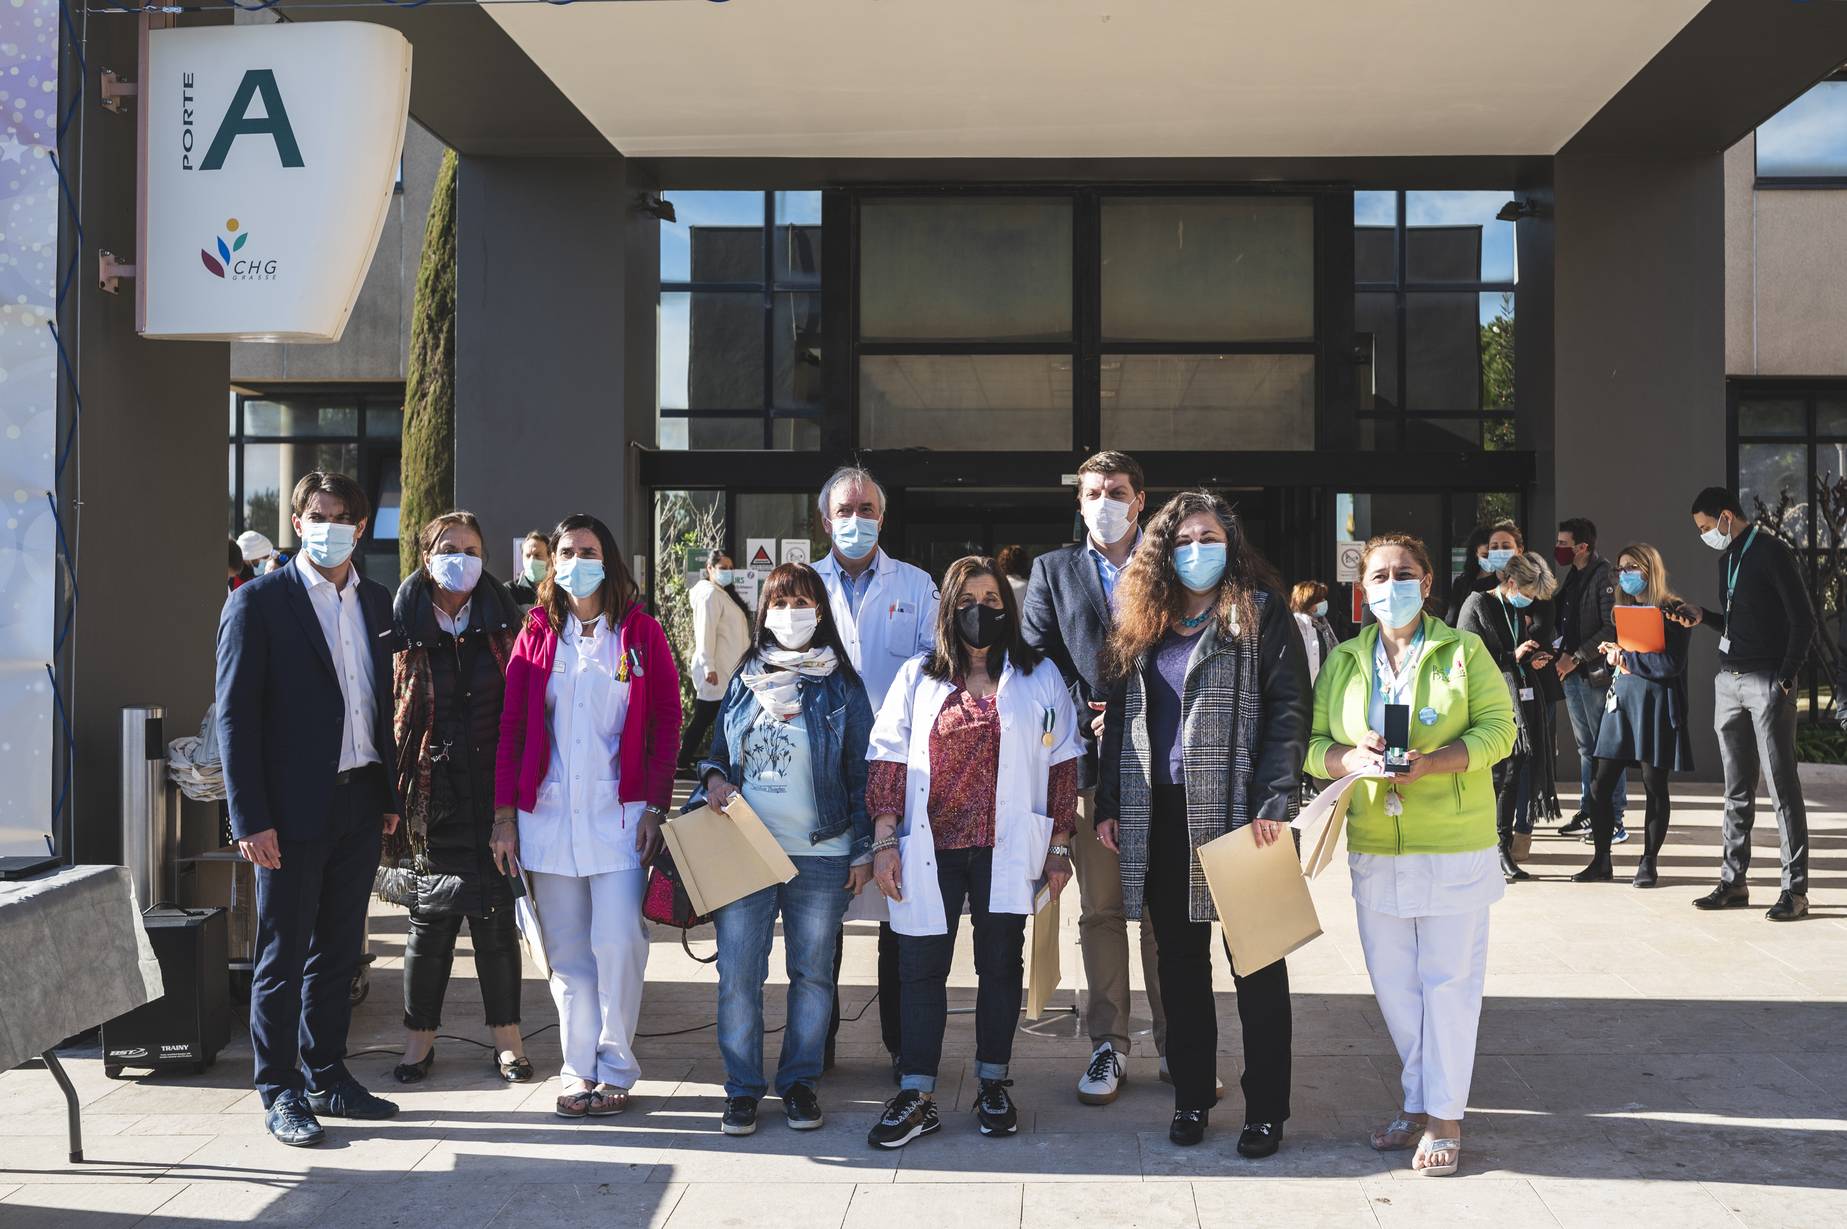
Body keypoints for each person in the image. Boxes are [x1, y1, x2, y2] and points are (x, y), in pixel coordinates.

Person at [1094, 491, 1310, 1153]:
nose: (1195, 549)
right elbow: (1121, 719)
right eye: (1183, 539)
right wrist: (1109, 802)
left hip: (1246, 812)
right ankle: (1191, 1098)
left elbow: (1288, 709)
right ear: (1162, 550)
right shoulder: (1142, 620)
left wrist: (1275, 799)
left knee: (1259, 967)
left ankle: (1265, 1109)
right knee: (1180, 968)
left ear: (1230, 541)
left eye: (1208, 536)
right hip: (1160, 811)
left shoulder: (1261, 612)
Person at [1306, 533, 1516, 1177]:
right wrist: (1353, 757)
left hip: (1454, 844)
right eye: (1377, 576)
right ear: (1360, 588)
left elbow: (1501, 730)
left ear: (1427, 583)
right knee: (1396, 988)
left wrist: (1435, 762)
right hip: (1376, 842)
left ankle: (1445, 1116)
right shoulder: (1344, 660)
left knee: (1449, 985)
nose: (1389, 586)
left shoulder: (1463, 649)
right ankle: (1419, 1099)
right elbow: (1315, 747)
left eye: (1403, 574)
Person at [864, 555, 1080, 1149]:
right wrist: (885, 841)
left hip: (1004, 848)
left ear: (1006, 611)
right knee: (920, 968)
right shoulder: (919, 676)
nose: (979, 613)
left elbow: (1062, 761)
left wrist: (1060, 845)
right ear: (947, 610)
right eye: (967, 602)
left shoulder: (1039, 676)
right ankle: (916, 1091)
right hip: (930, 845)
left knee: (999, 966)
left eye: (990, 601)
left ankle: (992, 1081)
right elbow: (886, 756)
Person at [216, 471, 403, 1147]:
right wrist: (248, 818)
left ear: (360, 527)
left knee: (338, 951)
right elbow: (235, 718)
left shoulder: (375, 601)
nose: (329, 525)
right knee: (283, 952)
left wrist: (385, 794)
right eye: (317, 514)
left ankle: (328, 1072)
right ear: (299, 521)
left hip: (359, 797)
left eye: (342, 515)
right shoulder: (259, 603)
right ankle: (280, 1087)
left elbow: (376, 703)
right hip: (288, 813)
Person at [492, 514, 681, 1117]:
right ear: (552, 563)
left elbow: (666, 722)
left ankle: (616, 1065)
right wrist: (504, 816)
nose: (576, 560)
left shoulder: (641, 634)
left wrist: (655, 803)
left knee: (620, 939)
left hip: (620, 815)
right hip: (547, 816)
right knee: (566, 950)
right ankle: (578, 1070)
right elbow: (513, 727)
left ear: (610, 559)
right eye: (566, 551)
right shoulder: (537, 633)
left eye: (588, 549)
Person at [692, 563, 875, 1137]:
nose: (790, 613)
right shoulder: (745, 677)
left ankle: (799, 1084)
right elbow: (715, 754)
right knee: (738, 975)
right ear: (763, 613)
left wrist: (866, 847)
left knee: (813, 975)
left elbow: (863, 773)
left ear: (820, 612)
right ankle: (742, 1090)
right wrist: (716, 781)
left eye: (802, 602)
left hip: (822, 852)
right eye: (779, 602)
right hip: (744, 849)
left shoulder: (842, 684)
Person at [1021, 449, 1170, 1106]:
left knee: (1166, 912)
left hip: (1165, 767)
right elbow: (1033, 662)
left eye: (1115, 490)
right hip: (1087, 765)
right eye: (1091, 492)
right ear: (1078, 502)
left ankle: (1178, 1041)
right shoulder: (1051, 571)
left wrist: (1143, 713)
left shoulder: (1174, 565)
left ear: (1140, 499)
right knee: (1102, 909)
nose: (1103, 501)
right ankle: (1108, 1044)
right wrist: (1090, 715)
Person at [387, 511, 531, 1086]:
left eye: (473, 548)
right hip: (432, 794)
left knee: (495, 919)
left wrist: (511, 807)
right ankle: (417, 1042)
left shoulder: (506, 621)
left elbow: (521, 710)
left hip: (494, 789)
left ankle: (508, 1043)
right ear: (427, 556)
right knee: (432, 920)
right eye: (450, 547)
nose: (463, 558)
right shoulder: (397, 621)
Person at [810, 465, 938, 1076]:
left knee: (896, 913)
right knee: (822, 912)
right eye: (844, 510)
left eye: (866, 509)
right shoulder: (799, 586)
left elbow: (935, 680)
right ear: (824, 519)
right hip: (819, 776)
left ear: (882, 517)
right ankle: (819, 1039)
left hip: (896, 772)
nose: (855, 520)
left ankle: (897, 1043)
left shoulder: (916, 586)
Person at [1686, 488, 1814, 920]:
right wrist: (1703, 617)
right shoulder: (1728, 560)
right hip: (1730, 681)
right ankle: (1733, 881)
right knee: (1736, 788)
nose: (1705, 535)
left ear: (1726, 516)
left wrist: (1786, 676)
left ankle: (1794, 890)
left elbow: (1803, 619)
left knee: (1782, 788)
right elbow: (1738, 622)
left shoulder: (1773, 553)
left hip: (1766, 682)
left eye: (1706, 527)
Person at [1572, 544, 1696, 888]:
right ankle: (1601, 861)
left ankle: (1648, 862)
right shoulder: (1624, 609)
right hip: (1622, 702)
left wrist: (1626, 659)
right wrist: (1616, 653)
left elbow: (1671, 664)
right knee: (1599, 784)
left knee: (1654, 785)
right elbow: (1631, 653)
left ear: (1649, 569)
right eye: (1621, 568)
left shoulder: (1674, 610)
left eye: (1631, 568)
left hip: (1656, 706)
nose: (1624, 575)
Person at [1456, 550, 1560, 882]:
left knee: (1513, 771)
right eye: (1527, 595)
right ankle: (1485, 848)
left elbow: (1513, 652)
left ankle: (1503, 846)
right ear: (1511, 583)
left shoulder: (1516, 610)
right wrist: (1511, 656)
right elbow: (1467, 655)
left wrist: (1529, 658)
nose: (1529, 603)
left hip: (1517, 696)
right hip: (1485, 701)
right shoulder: (1477, 604)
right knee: (1494, 775)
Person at [1553, 517, 1626, 843]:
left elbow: (1612, 627)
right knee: (1587, 749)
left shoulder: (1604, 576)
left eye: (1564, 544)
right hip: (1572, 674)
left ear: (1582, 547)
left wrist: (1577, 656)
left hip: (1594, 674)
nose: (1559, 549)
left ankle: (1613, 819)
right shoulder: (1574, 576)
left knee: (1606, 749)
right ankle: (1589, 811)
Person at [680, 552, 752, 776]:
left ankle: (686, 761)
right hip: (717, 671)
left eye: (731, 567)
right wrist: (708, 666)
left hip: (729, 670)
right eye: (722, 566)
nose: (727, 571)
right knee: (705, 717)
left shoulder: (722, 594)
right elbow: (705, 633)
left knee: (710, 717)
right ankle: (682, 762)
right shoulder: (709, 595)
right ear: (710, 569)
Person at [1290, 579, 1341, 683]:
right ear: (1308, 603)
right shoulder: (1296, 624)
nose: (1324, 602)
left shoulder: (1323, 625)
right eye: (1320, 600)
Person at [506, 530, 551, 608]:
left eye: (537, 555)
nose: (532, 560)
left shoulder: (559, 590)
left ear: (550, 558)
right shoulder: (509, 590)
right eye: (528, 555)